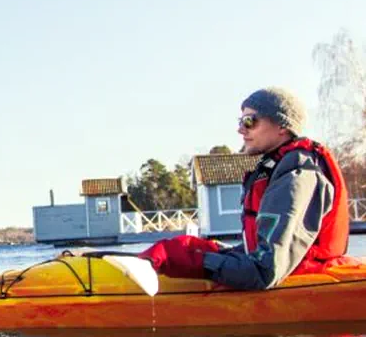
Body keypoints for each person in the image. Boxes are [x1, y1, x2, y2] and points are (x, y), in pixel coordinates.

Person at [139, 88, 350, 289]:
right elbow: (259, 254)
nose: (241, 129)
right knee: (180, 248)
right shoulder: (278, 167)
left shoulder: (297, 176)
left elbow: (264, 272)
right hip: (286, 273)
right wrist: (186, 251)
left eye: (250, 121)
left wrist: (195, 262)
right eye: (241, 121)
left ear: (282, 126)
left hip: (306, 280)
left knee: (185, 255)